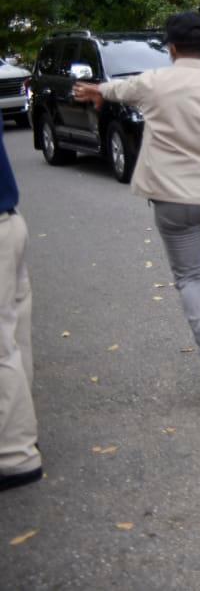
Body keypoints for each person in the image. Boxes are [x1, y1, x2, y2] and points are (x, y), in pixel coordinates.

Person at [73, 12, 200, 402]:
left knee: (190, 277)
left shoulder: (155, 82)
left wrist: (97, 90)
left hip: (172, 199)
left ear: (171, 49)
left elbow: (121, 89)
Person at [0, 120, 40, 492]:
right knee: (13, 336)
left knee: (3, 346)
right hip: (7, 218)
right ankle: (19, 432)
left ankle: (13, 453)